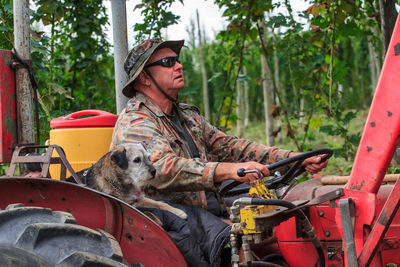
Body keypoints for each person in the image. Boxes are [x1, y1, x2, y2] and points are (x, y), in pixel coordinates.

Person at [110, 38, 328, 217]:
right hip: (164, 222)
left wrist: (292, 157)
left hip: (207, 213)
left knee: (284, 214)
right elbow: (163, 169)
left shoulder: (186, 116)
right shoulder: (135, 122)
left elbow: (233, 147)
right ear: (145, 78)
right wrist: (227, 170)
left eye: (177, 60)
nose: (178, 66)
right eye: (168, 62)